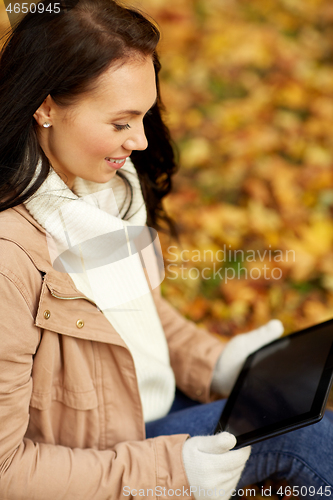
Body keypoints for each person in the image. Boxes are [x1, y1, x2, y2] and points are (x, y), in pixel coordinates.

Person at [0, 1, 332, 499]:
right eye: (120, 122)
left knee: (288, 404)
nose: (139, 139)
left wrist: (218, 363)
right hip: (99, 461)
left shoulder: (101, 190)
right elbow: (6, 471)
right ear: (46, 107)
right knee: (306, 436)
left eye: (145, 115)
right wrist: (169, 475)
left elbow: (135, 316)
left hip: (146, 407)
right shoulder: (11, 261)